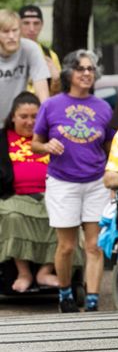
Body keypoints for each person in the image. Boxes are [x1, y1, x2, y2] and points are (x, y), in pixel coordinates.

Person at [31, 50, 114, 312]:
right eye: (81, 69)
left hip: (95, 182)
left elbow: (111, 146)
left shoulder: (103, 107)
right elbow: (35, 144)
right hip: (62, 181)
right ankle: (65, 293)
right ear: (69, 73)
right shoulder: (52, 105)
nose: (87, 73)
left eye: (90, 69)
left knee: (94, 246)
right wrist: (47, 147)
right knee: (66, 246)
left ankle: (92, 300)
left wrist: (112, 178)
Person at [0, 92, 60, 292]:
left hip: (50, 194)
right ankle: (23, 272)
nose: (29, 121)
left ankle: (45, 271)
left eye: (34, 116)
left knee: (64, 219)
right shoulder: (3, 138)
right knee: (13, 217)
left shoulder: (51, 138)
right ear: (13, 117)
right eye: (23, 116)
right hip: (13, 196)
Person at [0, 9, 49, 120]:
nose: (11, 36)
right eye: (6, 32)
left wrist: (46, 118)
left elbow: (41, 87)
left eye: (15, 30)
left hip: (15, 121)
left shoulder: (30, 48)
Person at [17, 5, 61, 95]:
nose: (32, 29)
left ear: (42, 25)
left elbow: (58, 95)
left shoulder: (50, 55)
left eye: (36, 23)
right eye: (26, 23)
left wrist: (56, 81)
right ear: (18, 24)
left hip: (41, 106)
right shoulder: (7, 54)